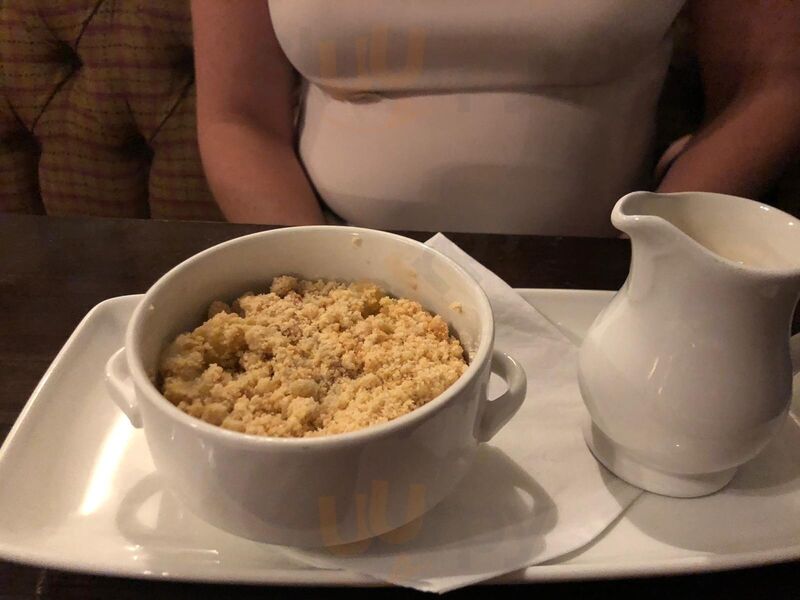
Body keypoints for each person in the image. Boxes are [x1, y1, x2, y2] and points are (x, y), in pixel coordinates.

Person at [191, 0, 800, 236]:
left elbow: (770, 83)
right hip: (331, 250)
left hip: (607, 264)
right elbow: (238, 119)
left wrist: (665, 242)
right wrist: (313, 275)